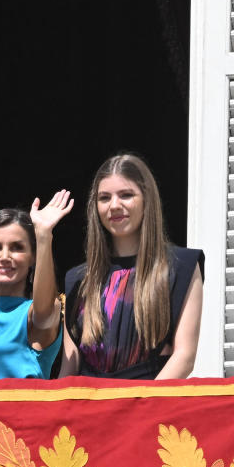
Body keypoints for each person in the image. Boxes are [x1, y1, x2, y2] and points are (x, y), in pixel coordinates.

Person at [60, 153, 204, 379]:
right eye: (104, 198)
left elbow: (184, 357)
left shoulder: (181, 267)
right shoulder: (78, 278)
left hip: (150, 406)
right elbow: (69, 366)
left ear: (147, 199)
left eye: (126, 195)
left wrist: (140, 409)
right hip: (89, 407)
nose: (114, 205)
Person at [0, 192, 73, 380]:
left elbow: (43, 311)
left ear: (33, 258)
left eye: (17, 248)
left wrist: (43, 234)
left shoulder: (37, 314)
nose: (4, 257)